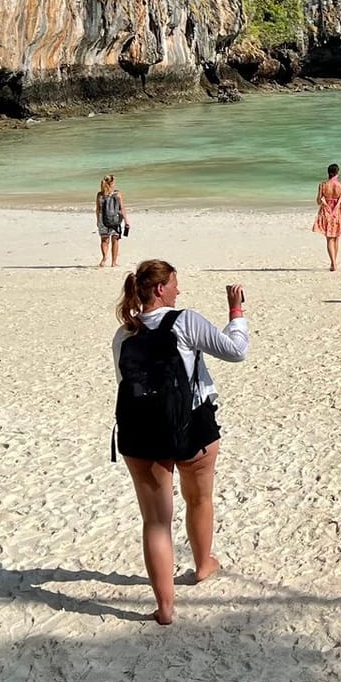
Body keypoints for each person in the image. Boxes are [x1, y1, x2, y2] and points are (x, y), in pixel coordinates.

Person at [113, 261, 249, 626]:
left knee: (155, 522)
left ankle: (165, 608)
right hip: (192, 426)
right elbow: (236, 350)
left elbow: (127, 383)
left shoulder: (125, 333)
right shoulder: (184, 320)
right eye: (174, 285)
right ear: (160, 289)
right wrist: (236, 312)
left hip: (141, 433)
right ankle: (203, 565)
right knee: (199, 498)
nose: (179, 291)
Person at [312, 163, 341, 271]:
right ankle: (334, 262)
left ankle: (333, 263)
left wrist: (324, 200)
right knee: (336, 238)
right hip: (337, 213)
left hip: (326, 212)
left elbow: (318, 201)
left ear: (328, 173)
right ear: (338, 172)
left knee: (329, 239)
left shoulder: (323, 185)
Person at [96, 174, 130, 267]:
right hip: (116, 219)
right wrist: (126, 221)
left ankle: (104, 258)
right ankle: (114, 262)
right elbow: (122, 208)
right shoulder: (118, 194)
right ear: (111, 183)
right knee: (115, 240)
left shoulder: (100, 195)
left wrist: (98, 221)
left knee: (104, 240)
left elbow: (98, 209)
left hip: (103, 220)